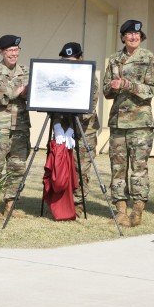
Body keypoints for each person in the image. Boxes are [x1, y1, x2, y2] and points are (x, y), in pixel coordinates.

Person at [103, 20, 154, 227]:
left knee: (139, 169)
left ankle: (137, 211)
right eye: (129, 34)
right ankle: (120, 211)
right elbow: (106, 91)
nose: (133, 37)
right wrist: (113, 86)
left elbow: (151, 91)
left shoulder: (148, 57)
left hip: (140, 124)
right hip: (118, 123)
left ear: (140, 37)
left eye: (136, 34)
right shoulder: (114, 59)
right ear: (123, 37)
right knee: (117, 168)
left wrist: (126, 84)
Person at [0, 35, 30, 217]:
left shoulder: (26, 71)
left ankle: (11, 204)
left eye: (16, 50)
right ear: (1, 52)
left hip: (20, 126)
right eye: (9, 50)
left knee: (17, 166)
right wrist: (14, 92)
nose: (13, 54)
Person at [51, 42, 100, 219]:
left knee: (82, 168)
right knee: (61, 165)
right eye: (65, 61)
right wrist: (57, 126)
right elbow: (51, 102)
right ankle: (62, 202)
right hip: (62, 128)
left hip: (85, 128)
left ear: (81, 58)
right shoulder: (57, 76)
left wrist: (72, 129)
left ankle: (78, 203)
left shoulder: (90, 77)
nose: (69, 64)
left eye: (72, 60)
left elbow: (90, 107)